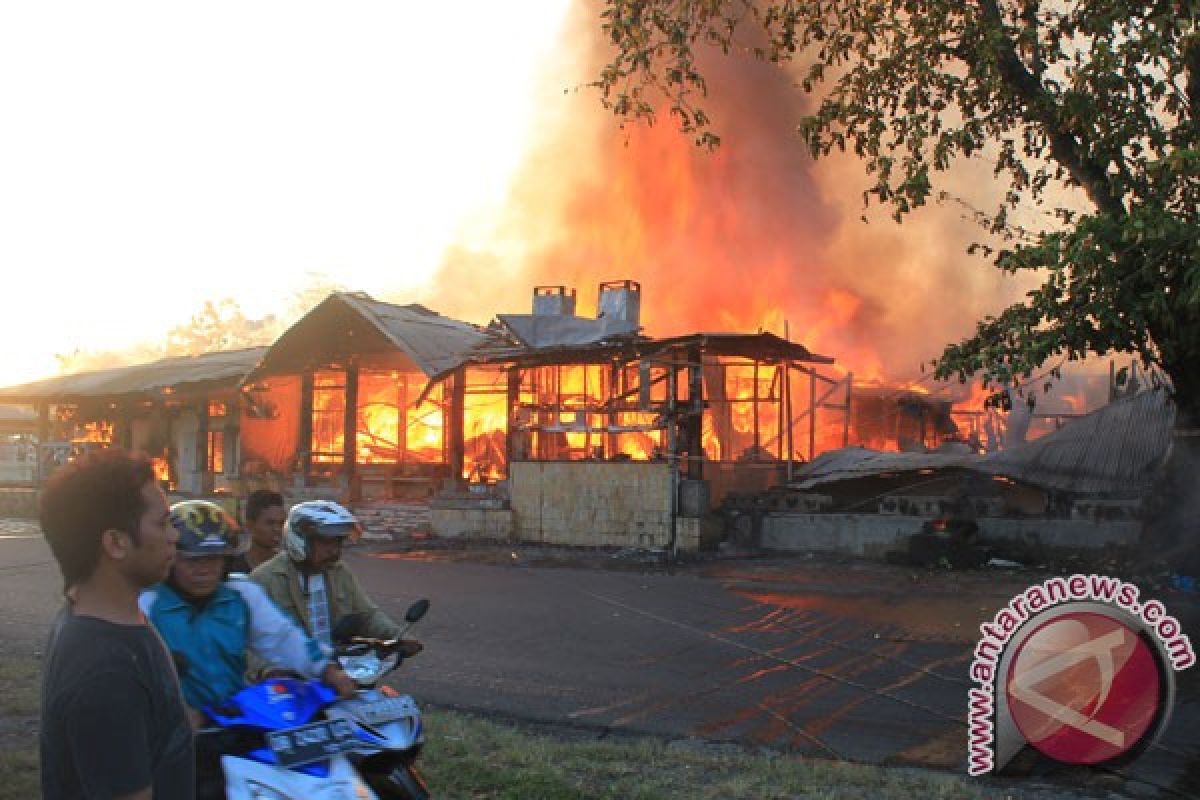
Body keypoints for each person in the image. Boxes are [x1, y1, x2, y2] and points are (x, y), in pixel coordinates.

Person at [38, 448, 194, 800]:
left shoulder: (111, 617)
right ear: (116, 543)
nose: (174, 537)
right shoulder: (106, 674)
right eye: (161, 523)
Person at [140, 499, 357, 715]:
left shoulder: (241, 593)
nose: (204, 570)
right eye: (192, 560)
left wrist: (328, 670)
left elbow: (282, 638)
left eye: (213, 559)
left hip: (233, 720)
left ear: (226, 561)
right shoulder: (147, 603)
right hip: (170, 728)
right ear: (171, 558)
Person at [251, 500, 422, 656]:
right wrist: (267, 670)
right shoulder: (265, 579)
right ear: (300, 540)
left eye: (337, 543)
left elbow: (366, 615)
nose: (333, 550)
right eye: (325, 542)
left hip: (334, 667)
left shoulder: (339, 572)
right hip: (287, 676)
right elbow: (248, 642)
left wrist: (399, 637)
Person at [228, 488, 285, 573]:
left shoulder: (289, 569)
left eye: (281, 523)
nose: (277, 529)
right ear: (250, 526)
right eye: (270, 523)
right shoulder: (232, 569)